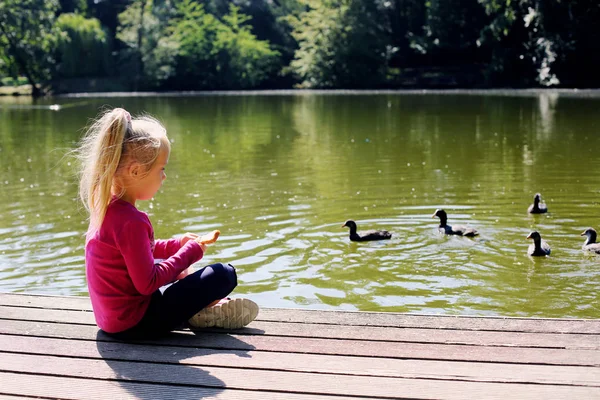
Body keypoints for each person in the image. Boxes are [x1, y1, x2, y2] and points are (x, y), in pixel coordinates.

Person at [76, 107, 258, 339]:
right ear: (135, 171)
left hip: (113, 322)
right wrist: (190, 252)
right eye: (161, 169)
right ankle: (204, 312)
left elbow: (141, 253)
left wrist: (176, 244)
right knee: (224, 274)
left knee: (179, 268)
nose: (164, 176)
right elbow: (148, 282)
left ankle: (204, 310)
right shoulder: (131, 221)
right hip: (137, 324)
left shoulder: (107, 209)